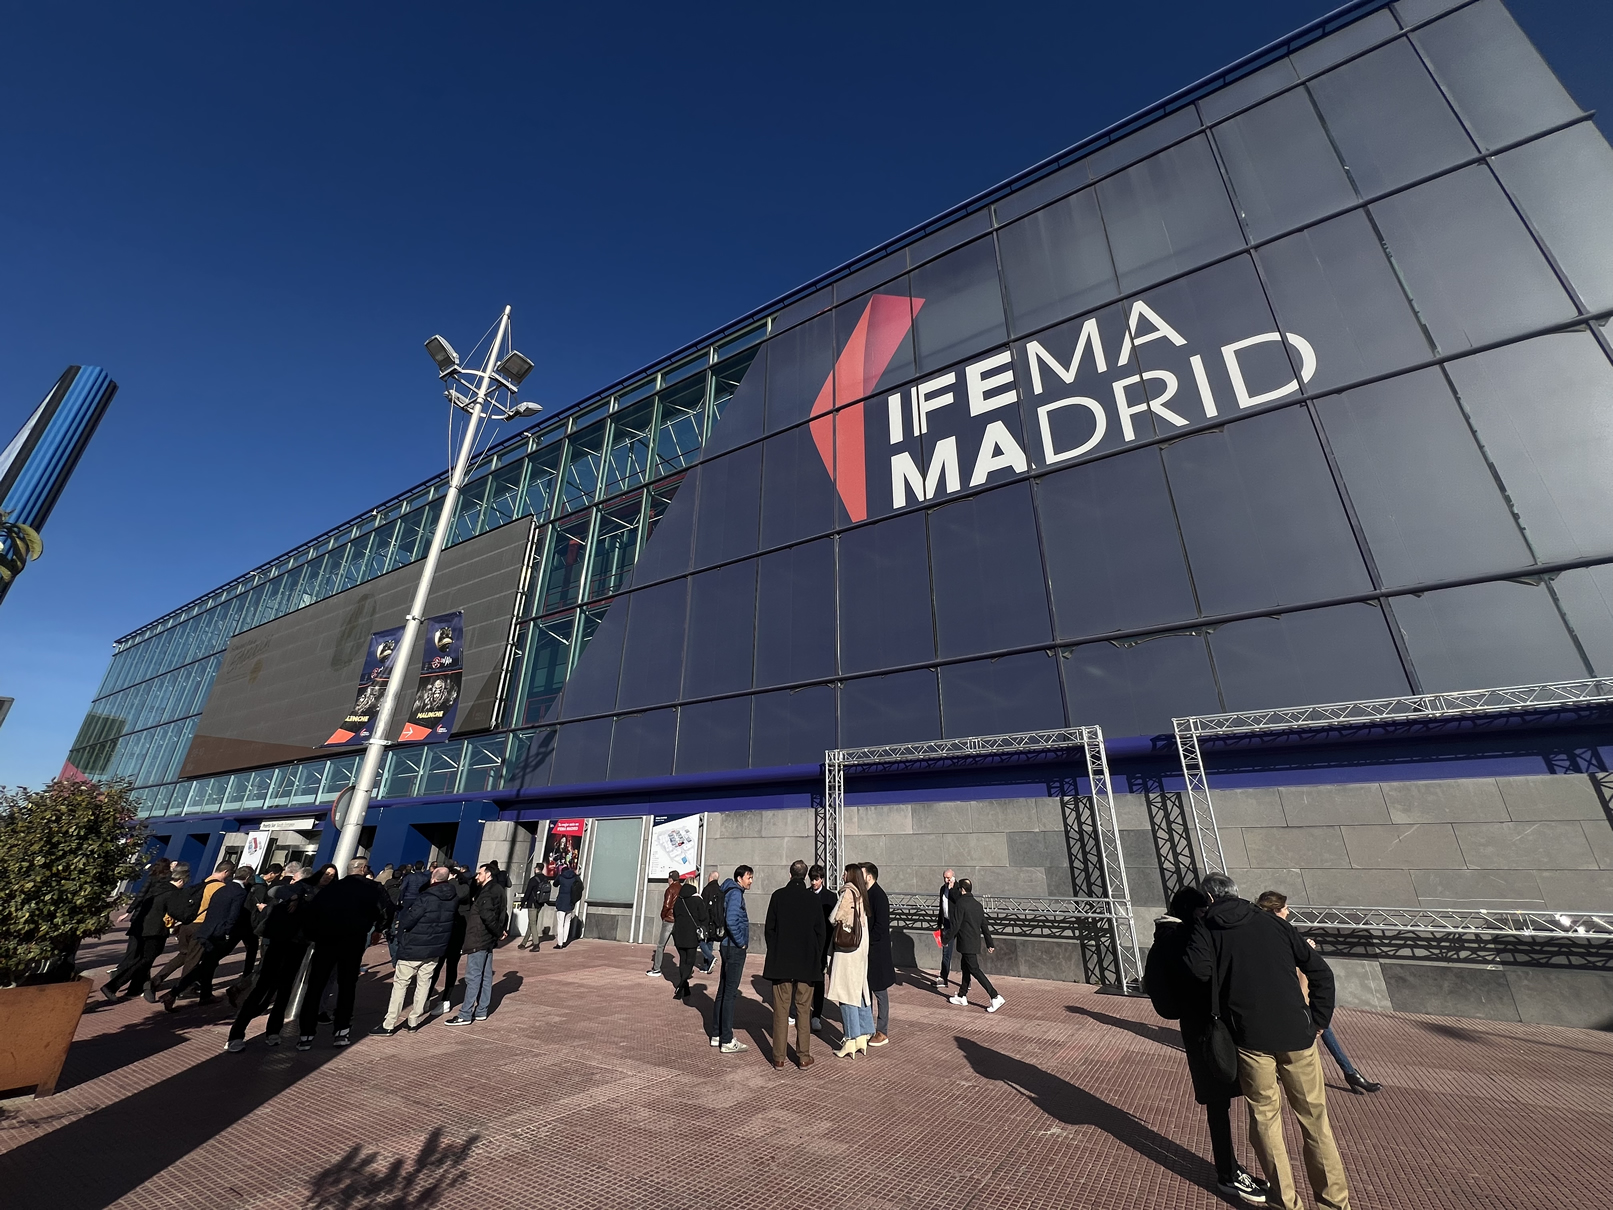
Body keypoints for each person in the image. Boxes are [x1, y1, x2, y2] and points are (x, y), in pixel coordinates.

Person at [1188, 873, 1351, 1210]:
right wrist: (1318, 1020)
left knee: (1265, 1119)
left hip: (1250, 1039)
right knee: (1315, 1121)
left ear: (1209, 899)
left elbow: (1198, 971)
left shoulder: (1206, 928)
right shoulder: (1273, 922)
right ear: (1237, 893)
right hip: (1297, 1034)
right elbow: (1321, 972)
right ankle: (1335, 1204)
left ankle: (1286, 1202)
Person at [1146, 886, 1270, 1206]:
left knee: (1221, 1103)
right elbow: (1201, 973)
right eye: (1203, 910)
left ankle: (1231, 1168)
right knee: (1219, 1101)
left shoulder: (1167, 937)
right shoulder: (1185, 938)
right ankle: (1228, 1174)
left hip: (1200, 1027)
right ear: (1195, 911)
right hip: (1208, 1028)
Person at [1256, 891, 1381, 1095]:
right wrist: (1304, 950)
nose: (1288, 911)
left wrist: (1305, 950)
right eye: (1285, 908)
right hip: (1286, 994)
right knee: (1317, 1027)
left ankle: (1349, 1072)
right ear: (1276, 910)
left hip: (1297, 992)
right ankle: (1349, 1073)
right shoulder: (1273, 931)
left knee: (1322, 1025)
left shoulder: (1278, 929)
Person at [296, 857, 393, 1049]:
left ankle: (306, 1033)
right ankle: (342, 1030)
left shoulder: (331, 889)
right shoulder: (373, 888)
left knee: (315, 986)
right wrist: (378, 928)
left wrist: (314, 935)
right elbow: (387, 910)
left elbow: (312, 913)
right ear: (363, 868)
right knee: (347, 986)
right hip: (353, 940)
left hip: (326, 940)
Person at [226, 863, 318, 1051]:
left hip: (286, 945)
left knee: (274, 990)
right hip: (286, 945)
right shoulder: (294, 893)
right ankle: (251, 1032)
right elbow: (275, 891)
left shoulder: (303, 895)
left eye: (294, 879)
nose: (291, 882)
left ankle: (258, 1032)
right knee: (272, 989)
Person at [373, 865, 460, 1035]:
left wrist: (402, 935)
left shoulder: (426, 897)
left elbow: (409, 920)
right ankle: (414, 1020)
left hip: (415, 946)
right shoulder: (453, 898)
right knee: (424, 983)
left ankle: (389, 1023)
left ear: (433, 878)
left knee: (401, 984)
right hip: (435, 947)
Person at [763, 859, 828, 1069]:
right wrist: (817, 956)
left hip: (781, 961)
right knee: (803, 1009)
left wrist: (776, 949)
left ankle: (778, 1057)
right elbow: (821, 932)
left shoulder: (778, 896)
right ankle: (803, 1056)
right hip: (806, 962)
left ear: (790, 874)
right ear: (806, 876)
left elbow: (769, 929)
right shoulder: (812, 899)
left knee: (781, 1010)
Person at [161, 859, 245, 1009]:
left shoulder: (209, 884)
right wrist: (227, 932)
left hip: (199, 927)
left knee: (204, 963)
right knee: (200, 964)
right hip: (210, 931)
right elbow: (231, 915)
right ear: (226, 872)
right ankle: (176, 991)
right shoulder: (231, 890)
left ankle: (204, 995)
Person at [100, 858, 174, 1001]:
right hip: (150, 922)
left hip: (140, 918)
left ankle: (134, 985)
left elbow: (140, 895)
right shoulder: (165, 883)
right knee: (143, 956)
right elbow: (142, 896)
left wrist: (129, 911)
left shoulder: (153, 878)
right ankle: (124, 981)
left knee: (139, 954)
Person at [446, 863, 508, 1025]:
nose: (477, 876)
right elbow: (503, 913)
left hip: (479, 938)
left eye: (480, 873)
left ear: (488, 874)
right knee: (485, 977)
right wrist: (500, 930)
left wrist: (498, 931)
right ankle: (481, 1011)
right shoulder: (498, 889)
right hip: (487, 939)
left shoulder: (488, 892)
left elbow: (488, 915)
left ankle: (465, 1014)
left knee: (473, 977)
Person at [826, 863, 874, 1057]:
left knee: (845, 993)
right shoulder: (862, 893)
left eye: (845, 872)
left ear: (850, 874)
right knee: (859, 990)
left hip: (847, 950)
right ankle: (864, 1033)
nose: (842, 875)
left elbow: (834, 917)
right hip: (861, 948)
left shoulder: (848, 892)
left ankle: (851, 1038)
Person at [710, 865, 753, 1054]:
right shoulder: (735, 893)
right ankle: (727, 1039)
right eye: (749, 877)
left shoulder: (727, 890)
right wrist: (741, 942)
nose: (751, 881)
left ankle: (716, 1034)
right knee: (730, 993)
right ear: (739, 878)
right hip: (734, 948)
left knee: (723, 991)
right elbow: (731, 920)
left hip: (726, 946)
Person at [946, 878, 1004, 1012]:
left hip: (966, 943)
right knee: (965, 967)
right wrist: (989, 943)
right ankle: (962, 995)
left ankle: (995, 996)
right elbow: (984, 925)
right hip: (974, 942)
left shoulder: (961, 904)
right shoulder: (977, 905)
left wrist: (945, 939)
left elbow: (956, 925)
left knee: (974, 969)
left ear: (962, 890)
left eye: (959, 889)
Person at [860, 862, 894, 1046]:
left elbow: (880, 926)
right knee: (867, 990)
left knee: (880, 991)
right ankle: (868, 1027)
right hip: (869, 951)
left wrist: (867, 941)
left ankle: (882, 1031)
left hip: (877, 951)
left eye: (862, 874)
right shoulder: (867, 894)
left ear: (869, 876)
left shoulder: (878, 896)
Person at [434, 864, 474, 1014]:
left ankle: (443, 1000)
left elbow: (458, 895)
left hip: (454, 933)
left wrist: (451, 881)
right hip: (448, 933)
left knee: (447, 966)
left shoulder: (459, 887)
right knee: (439, 966)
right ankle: (431, 997)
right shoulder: (452, 887)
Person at [669, 876, 708, 1001]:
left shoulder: (679, 900)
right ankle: (681, 987)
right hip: (691, 935)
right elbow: (703, 917)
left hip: (679, 934)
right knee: (690, 962)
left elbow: (675, 914)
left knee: (683, 960)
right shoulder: (697, 900)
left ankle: (685, 989)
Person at [807, 864, 835, 1031]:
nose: (813, 882)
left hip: (823, 945)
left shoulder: (830, 897)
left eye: (816, 879)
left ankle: (816, 1015)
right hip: (807, 944)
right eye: (812, 879)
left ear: (822, 879)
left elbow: (832, 924)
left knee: (819, 980)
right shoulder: (805, 895)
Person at [646, 871, 683, 976]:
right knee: (680, 946)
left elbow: (667, 905)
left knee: (661, 946)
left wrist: (663, 916)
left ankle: (656, 969)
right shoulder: (682, 888)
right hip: (679, 921)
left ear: (670, 879)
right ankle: (686, 968)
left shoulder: (670, 889)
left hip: (669, 920)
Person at [935, 868, 961, 991]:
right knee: (946, 952)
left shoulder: (959, 888)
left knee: (964, 952)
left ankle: (966, 980)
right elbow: (941, 906)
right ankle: (943, 977)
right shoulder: (942, 889)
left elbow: (958, 901)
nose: (946, 880)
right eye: (944, 878)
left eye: (948, 878)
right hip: (946, 924)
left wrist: (952, 889)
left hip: (958, 924)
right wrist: (939, 923)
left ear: (953, 877)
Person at [518, 859, 552, 950]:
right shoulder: (545, 879)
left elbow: (527, 892)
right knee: (531, 923)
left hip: (532, 903)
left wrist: (522, 903)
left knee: (533, 923)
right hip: (540, 904)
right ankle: (523, 943)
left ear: (536, 869)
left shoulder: (533, 880)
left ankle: (536, 944)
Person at [552, 859, 582, 948]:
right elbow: (581, 886)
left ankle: (560, 943)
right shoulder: (575, 877)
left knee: (560, 923)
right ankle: (565, 941)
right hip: (571, 902)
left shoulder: (561, 877)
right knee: (567, 922)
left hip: (561, 902)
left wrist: (559, 877)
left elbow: (555, 884)